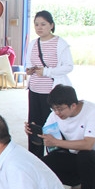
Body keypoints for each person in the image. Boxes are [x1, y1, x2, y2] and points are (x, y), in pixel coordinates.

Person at [28, 84, 95, 189]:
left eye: (60, 109)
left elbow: (88, 144)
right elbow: (46, 138)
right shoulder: (55, 115)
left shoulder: (93, 113)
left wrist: (56, 142)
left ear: (73, 105)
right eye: (54, 109)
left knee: (85, 156)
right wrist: (34, 133)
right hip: (73, 154)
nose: (57, 113)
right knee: (42, 165)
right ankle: (76, 183)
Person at [25, 10, 73, 159]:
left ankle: (56, 158)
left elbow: (68, 66)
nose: (39, 28)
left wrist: (47, 72)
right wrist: (30, 70)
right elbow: (29, 63)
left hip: (51, 92)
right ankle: (35, 159)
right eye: (36, 25)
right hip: (34, 90)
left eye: (43, 24)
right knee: (34, 127)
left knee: (52, 127)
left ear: (51, 25)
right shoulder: (33, 43)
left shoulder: (60, 43)